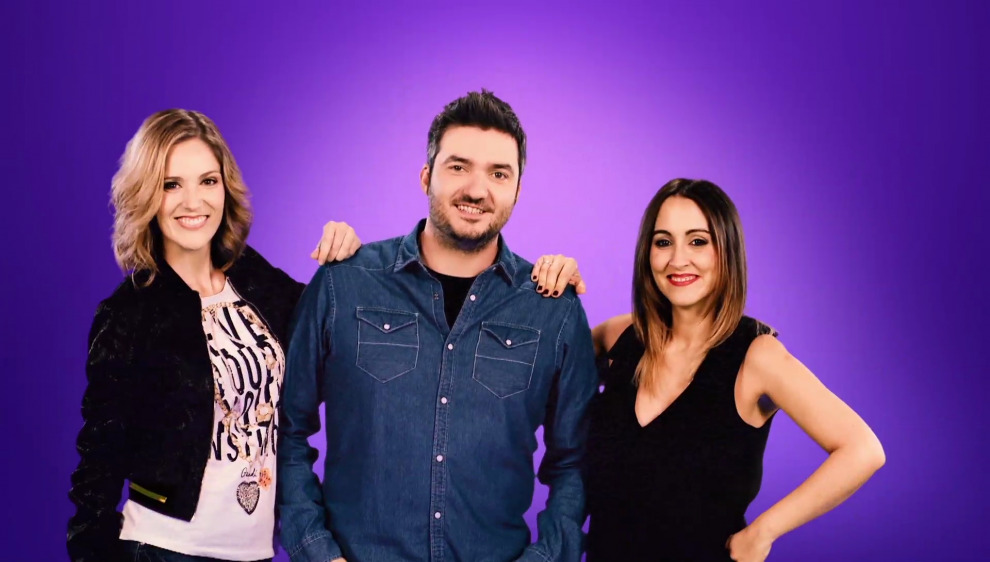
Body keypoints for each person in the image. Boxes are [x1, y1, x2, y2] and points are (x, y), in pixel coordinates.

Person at [277, 90, 599, 562]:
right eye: (458, 166)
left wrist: (545, 557)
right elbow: (285, 431)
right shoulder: (344, 284)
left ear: (517, 190)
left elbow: (575, 463)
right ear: (426, 176)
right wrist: (317, 552)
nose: (477, 189)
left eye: (499, 173)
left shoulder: (553, 309)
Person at [66, 109, 363, 562]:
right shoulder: (128, 314)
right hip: (165, 549)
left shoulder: (255, 280)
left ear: (225, 188)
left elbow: (332, 335)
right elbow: (98, 463)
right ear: (147, 194)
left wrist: (346, 259)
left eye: (208, 181)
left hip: (256, 551)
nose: (193, 201)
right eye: (171, 184)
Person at [583, 178, 886, 561]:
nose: (678, 259)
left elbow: (863, 450)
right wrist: (556, 281)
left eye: (698, 241)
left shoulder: (757, 356)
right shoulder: (619, 337)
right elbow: (541, 370)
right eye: (663, 242)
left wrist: (764, 531)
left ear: (727, 250)